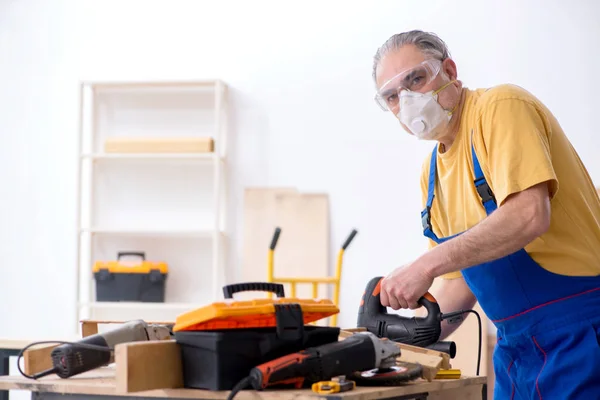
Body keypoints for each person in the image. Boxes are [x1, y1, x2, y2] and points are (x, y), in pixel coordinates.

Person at [372, 30, 600, 399]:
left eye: (416, 78)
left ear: (449, 69)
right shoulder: (432, 176)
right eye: (392, 96)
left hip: (582, 335)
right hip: (517, 354)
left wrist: (424, 267)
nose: (408, 99)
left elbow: (529, 214)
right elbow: (461, 281)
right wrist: (398, 343)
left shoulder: (501, 108)